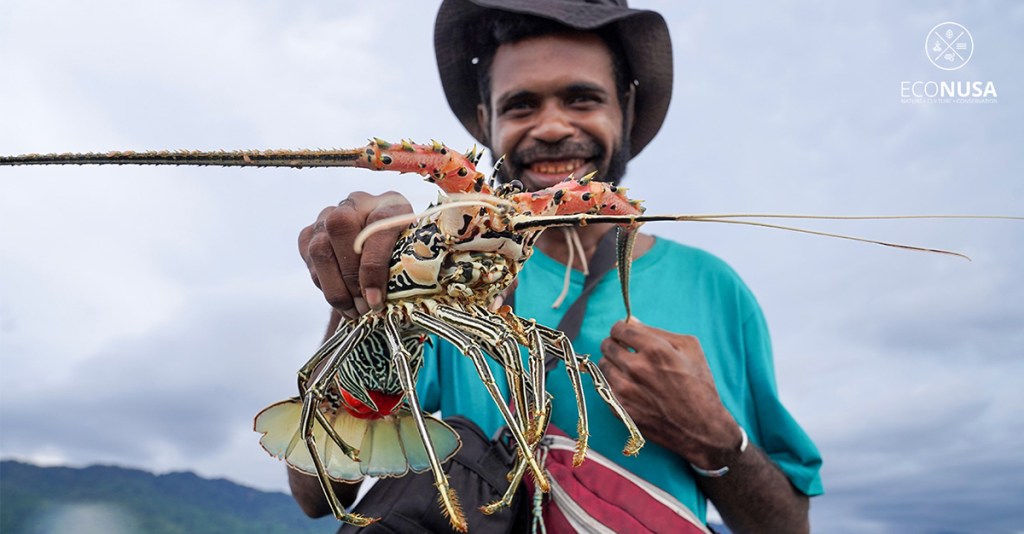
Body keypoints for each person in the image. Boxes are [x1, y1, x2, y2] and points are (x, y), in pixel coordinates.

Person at [290, 0, 823, 531]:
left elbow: (789, 526)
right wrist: (368, 293)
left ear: (626, 111)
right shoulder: (445, 273)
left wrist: (716, 438)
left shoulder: (715, 289)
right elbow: (317, 490)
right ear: (486, 121)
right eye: (521, 106)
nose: (550, 127)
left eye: (581, 98)